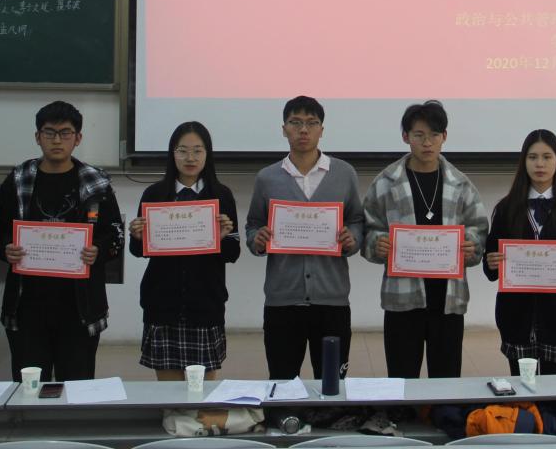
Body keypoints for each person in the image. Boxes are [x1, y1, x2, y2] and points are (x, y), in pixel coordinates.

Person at [0, 100, 124, 381]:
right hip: (27, 307)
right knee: (29, 389)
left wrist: (98, 250)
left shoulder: (96, 182)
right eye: (49, 132)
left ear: (78, 138)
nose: (56, 140)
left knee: (76, 389)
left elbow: (115, 234)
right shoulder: (18, 179)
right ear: (37, 136)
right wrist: (5, 249)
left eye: (65, 133)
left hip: (79, 309)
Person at [361, 100, 488, 378]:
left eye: (434, 134)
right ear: (405, 136)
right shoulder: (386, 182)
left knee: (446, 381)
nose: (427, 142)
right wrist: (377, 243)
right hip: (403, 300)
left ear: (445, 136)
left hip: (448, 301)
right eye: (419, 135)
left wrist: (471, 245)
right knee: (402, 380)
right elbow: (368, 229)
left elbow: (479, 229)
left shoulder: (460, 183)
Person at [245, 96, 364, 380]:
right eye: (295, 122)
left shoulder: (344, 173)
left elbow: (357, 220)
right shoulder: (267, 177)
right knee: (283, 382)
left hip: (332, 300)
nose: (303, 130)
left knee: (332, 384)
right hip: (282, 300)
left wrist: (352, 238)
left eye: (312, 123)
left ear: (322, 129)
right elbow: (253, 225)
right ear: (283, 128)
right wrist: (257, 239)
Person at [483, 129, 556, 387]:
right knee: (521, 390)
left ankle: (553, 417)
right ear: (523, 161)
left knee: (555, 388)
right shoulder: (506, 208)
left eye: (547, 157)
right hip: (516, 315)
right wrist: (491, 262)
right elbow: (490, 258)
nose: (539, 164)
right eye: (532, 157)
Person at [129, 121, 240, 380]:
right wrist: (137, 237)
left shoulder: (221, 195)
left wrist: (221, 239)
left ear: (207, 154)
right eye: (183, 150)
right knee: (169, 394)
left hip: (205, 304)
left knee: (202, 394)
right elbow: (138, 250)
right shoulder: (155, 194)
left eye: (198, 150)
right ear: (172, 154)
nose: (190, 158)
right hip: (162, 303)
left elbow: (232, 253)